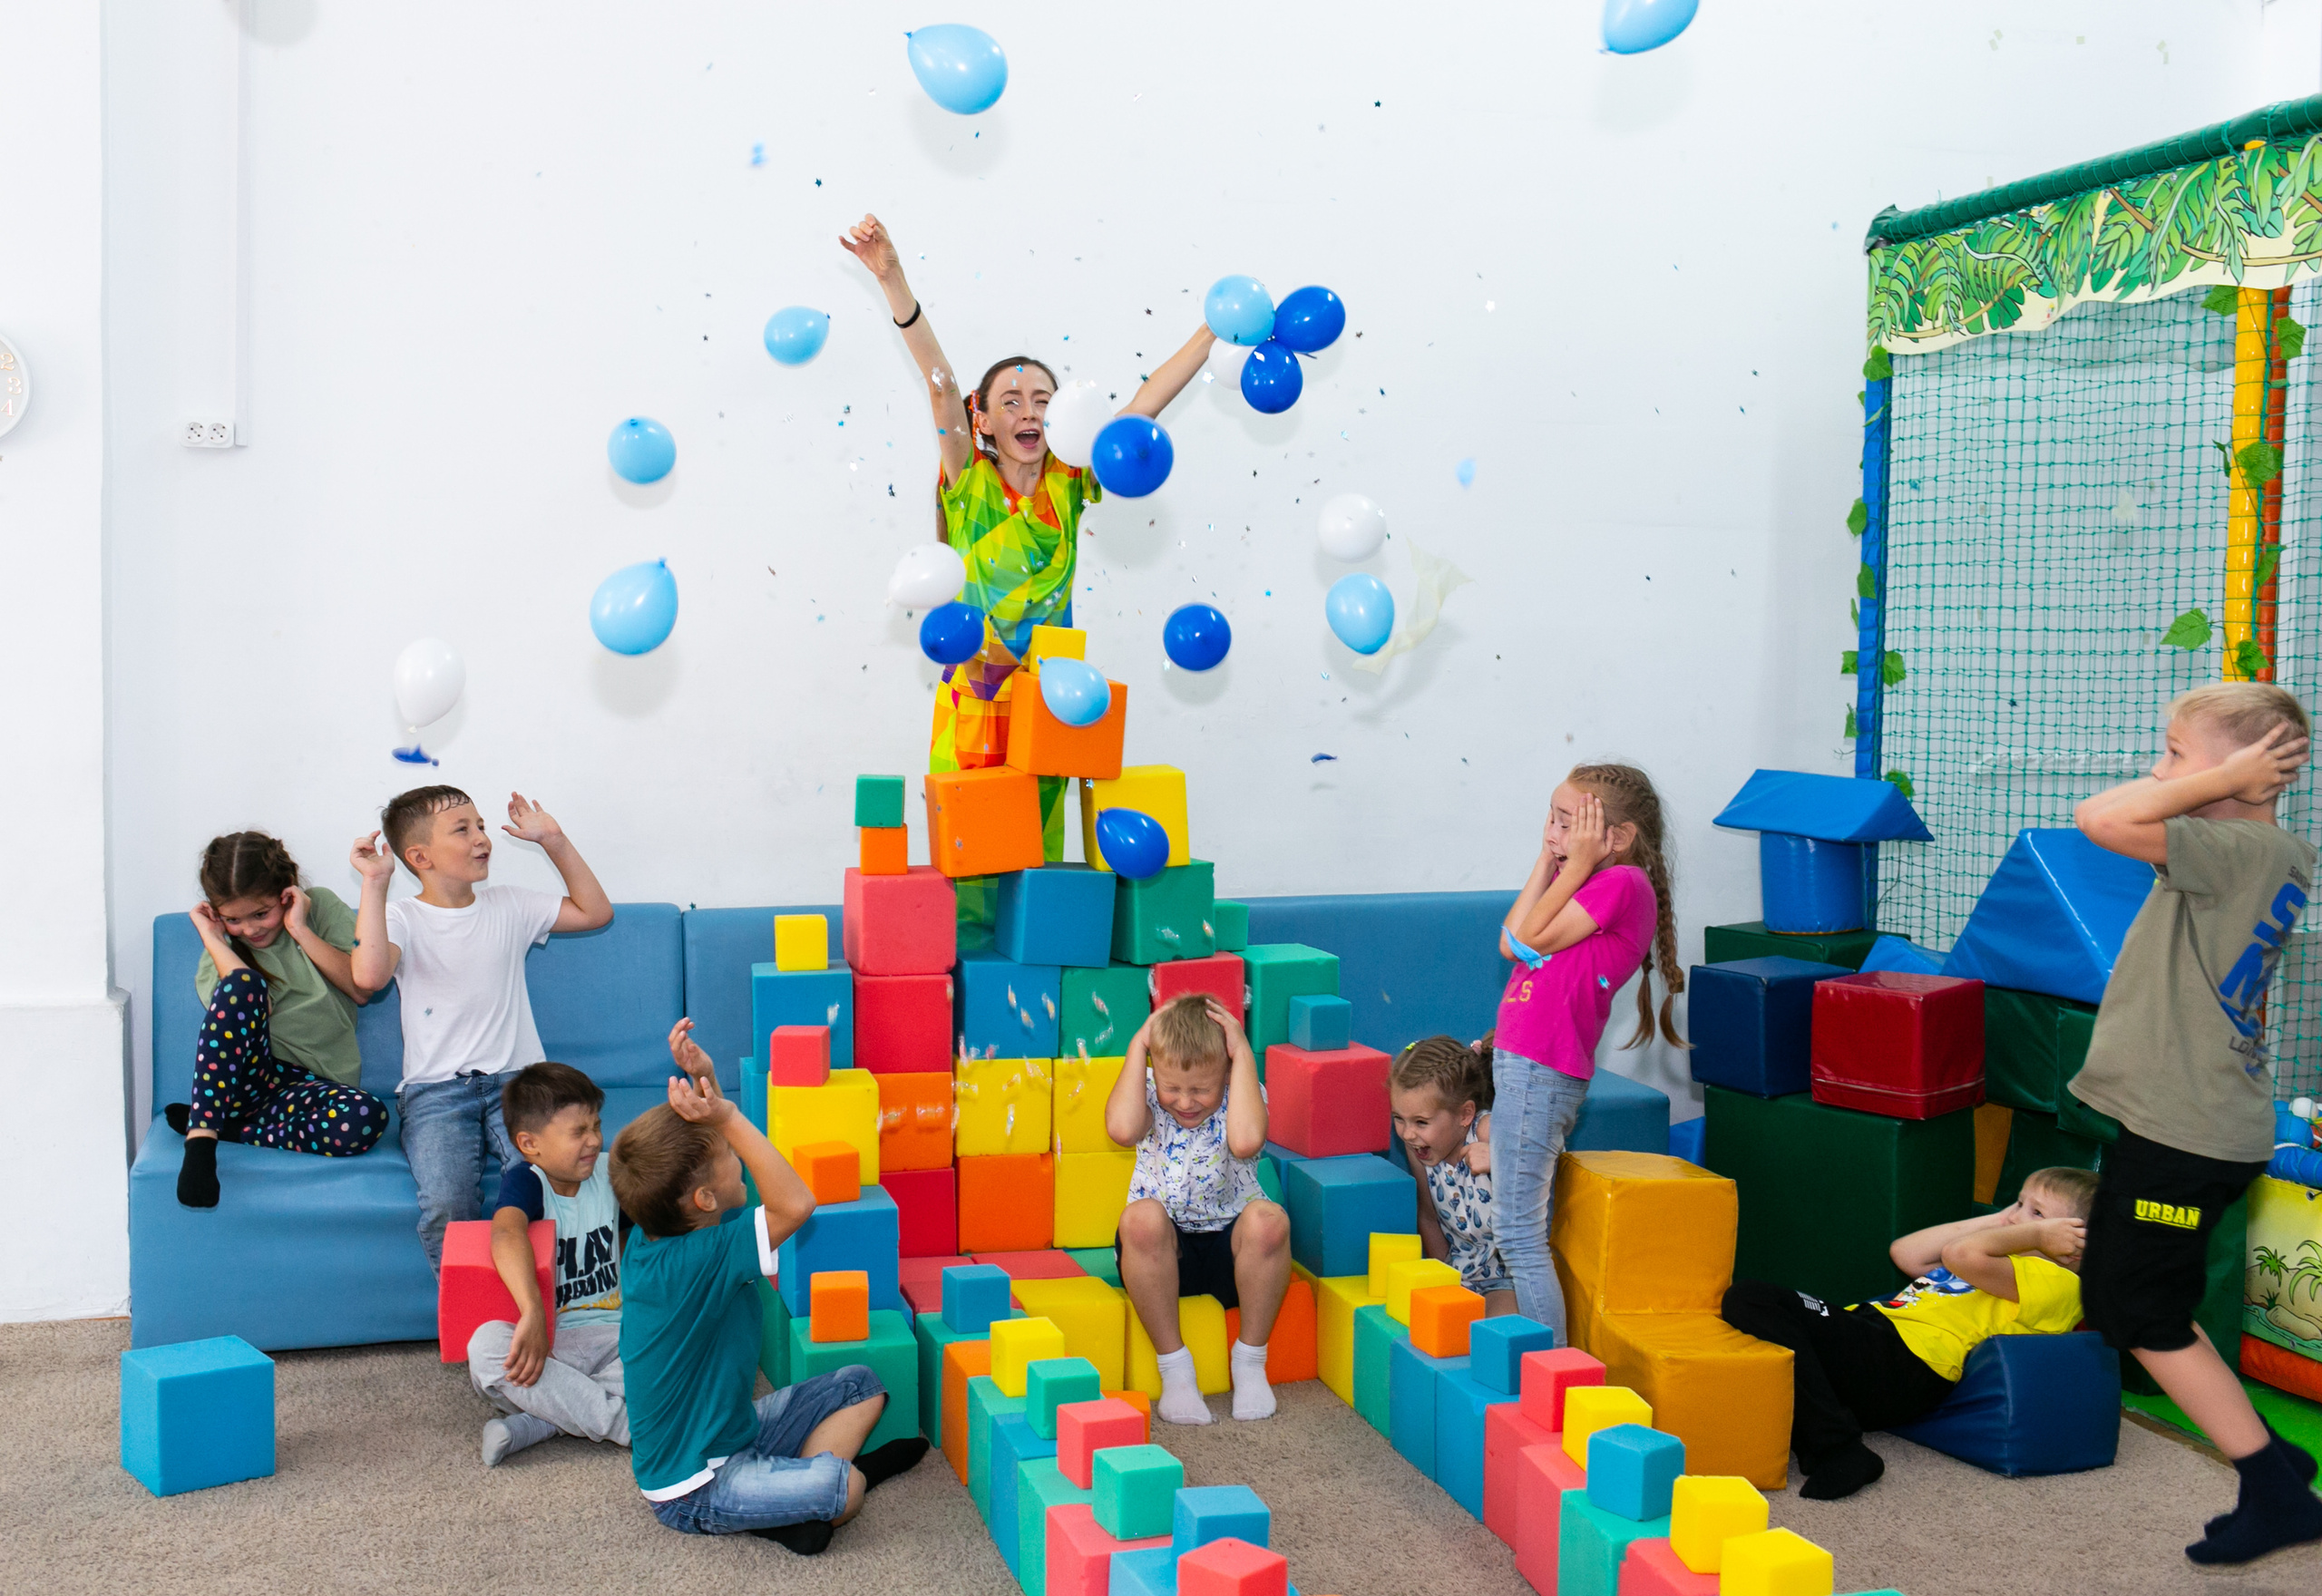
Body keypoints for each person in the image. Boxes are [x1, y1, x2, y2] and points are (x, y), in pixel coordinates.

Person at [839, 212, 1214, 920]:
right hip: (974, 703)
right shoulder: (970, 483)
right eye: (1012, 401)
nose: (1030, 410)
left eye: (1043, 399)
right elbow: (942, 386)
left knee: (1033, 882)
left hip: (1050, 705)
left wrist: (1211, 332)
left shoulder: (1074, 484)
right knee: (971, 878)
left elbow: (1146, 405)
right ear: (984, 420)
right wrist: (892, 278)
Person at [2067, 681, 2322, 1567]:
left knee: (2135, 1305)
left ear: (2254, 772)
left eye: (2175, 752)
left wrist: (2236, 774)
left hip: (2188, 1130)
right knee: (2126, 1296)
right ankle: (2270, 1454)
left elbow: (2097, 816)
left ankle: (2272, 1486)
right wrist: (2216, 775)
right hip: (2184, 1118)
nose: (2156, 768)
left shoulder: (2237, 847)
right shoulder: (2250, 849)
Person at [612, 1018, 928, 1553]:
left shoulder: (672, 1228)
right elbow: (796, 1203)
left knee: (861, 1385)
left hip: (731, 1431)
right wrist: (729, 1116)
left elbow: (763, 1182)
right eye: (727, 1157)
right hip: (693, 1484)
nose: (739, 1159)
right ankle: (808, 1494)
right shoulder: (697, 1257)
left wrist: (708, 1085)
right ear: (706, 1200)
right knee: (846, 1488)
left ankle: (788, 1498)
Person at [349, 786, 613, 1270]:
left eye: (482, 827)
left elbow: (596, 912)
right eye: (463, 829)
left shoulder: (509, 905)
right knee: (448, 1202)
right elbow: (368, 976)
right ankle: (471, 1316)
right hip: (436, 1092)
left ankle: (542, 1304)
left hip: (521, 1082)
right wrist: (375, 883)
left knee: (543, 1179)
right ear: (419, 856)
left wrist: (554, 840)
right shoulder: (401, 916)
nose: (481, 838)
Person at [1721, 1167, 2097, 1500]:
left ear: (2077, 1247)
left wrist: (2027, 1234)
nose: (2017, 1219)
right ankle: (1819, 1430)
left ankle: (1838, 1447)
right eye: (2017, 1204)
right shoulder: (1998, 1258)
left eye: (2037, 1215)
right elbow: (1905, 1252)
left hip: (1904, 1363)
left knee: (1752, 1298)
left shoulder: (2059, 1282)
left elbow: (1960, 1255)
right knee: (1750, 1326)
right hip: (1873, 1333)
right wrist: (2005, 1221)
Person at [1493, 764, 1685, 1336]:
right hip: (1525, 1060)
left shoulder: (1622, 884)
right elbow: (1510, 942)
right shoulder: (1586, 879)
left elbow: (1527, 939)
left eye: (1566, 820)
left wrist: (1572, 864)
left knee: (1518, 1235)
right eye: (1550, 817)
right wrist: (1551, 858)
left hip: (1542, 1068)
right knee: (1517, 1229)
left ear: (1616, 837)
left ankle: (1552, 1374)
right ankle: (1547, 1372)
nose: (1552, 830)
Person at [171, 832, 389, 1207]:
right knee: (242, 984)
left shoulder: (317, 908)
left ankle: (233, 1130)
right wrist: (214, 938)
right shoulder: (221, 949)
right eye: (233, 919)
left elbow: (361, 988)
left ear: (287, 893)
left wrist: (298, 928)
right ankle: (202, 1138)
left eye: (261, 913)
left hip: (311, 1091)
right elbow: (246, 1009)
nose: (250, 929)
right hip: (250, 1080)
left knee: (366, 1117)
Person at [1104, 994, 1290, 1426]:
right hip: (1162, 1262)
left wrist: (1241, 1052)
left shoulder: (1241, 1093)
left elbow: (1245, 1142)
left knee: (1270, 1221)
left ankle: (1249, 1360)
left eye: (1201, 1089)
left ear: (1226, 1074)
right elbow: (1121, 1129)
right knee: (1140, 1218)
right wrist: (1139, 1045)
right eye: (1173, 1087)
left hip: (1231, 1259)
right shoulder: (1149, 1098)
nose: (1185, 1102)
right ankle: (1176, 1371)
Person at [466, 1061, 632, 1466]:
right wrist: (533, 1313)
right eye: (579, 1132)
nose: (594, 1140)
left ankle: (540, 1423)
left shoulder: (612, 1172)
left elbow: (633, 1239)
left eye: (596, 1126)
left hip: (617, 1337)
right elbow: (506, 1233)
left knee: (681, 1339)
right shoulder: (528, 1181)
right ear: (530, 1144)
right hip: (549, 1346)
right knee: (485, 1348)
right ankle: (631, 1425)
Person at [1390, 1036, 1513, 1316]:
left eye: (1421, 1122)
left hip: (1507, 1279)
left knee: (1496, 1335)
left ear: (1464, 1114)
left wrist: (1501, 1159)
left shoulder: (1485, 1130)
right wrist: (1443, 1281)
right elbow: (1429, 1217)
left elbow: (1547, 1151)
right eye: (1399, 1118)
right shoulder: (1420, 1150)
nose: (1408, 1134)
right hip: (1458, 1274)